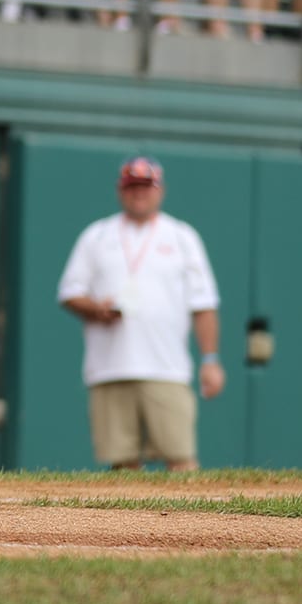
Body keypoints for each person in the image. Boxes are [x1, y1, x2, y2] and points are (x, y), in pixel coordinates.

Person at [57, 157, 223, 470]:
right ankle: (130, 523)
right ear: (121, 191)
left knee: (181, 459)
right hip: (110, 367)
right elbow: (69, 293)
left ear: (160, 190)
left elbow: (203, 304)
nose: (139, 194)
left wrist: (210, 360)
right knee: (123, 464)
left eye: (146, 187)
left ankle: (192, 522)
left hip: (167, 367)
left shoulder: (182, 237)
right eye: (132, 187)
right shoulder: (97, 235)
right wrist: (96, 308)